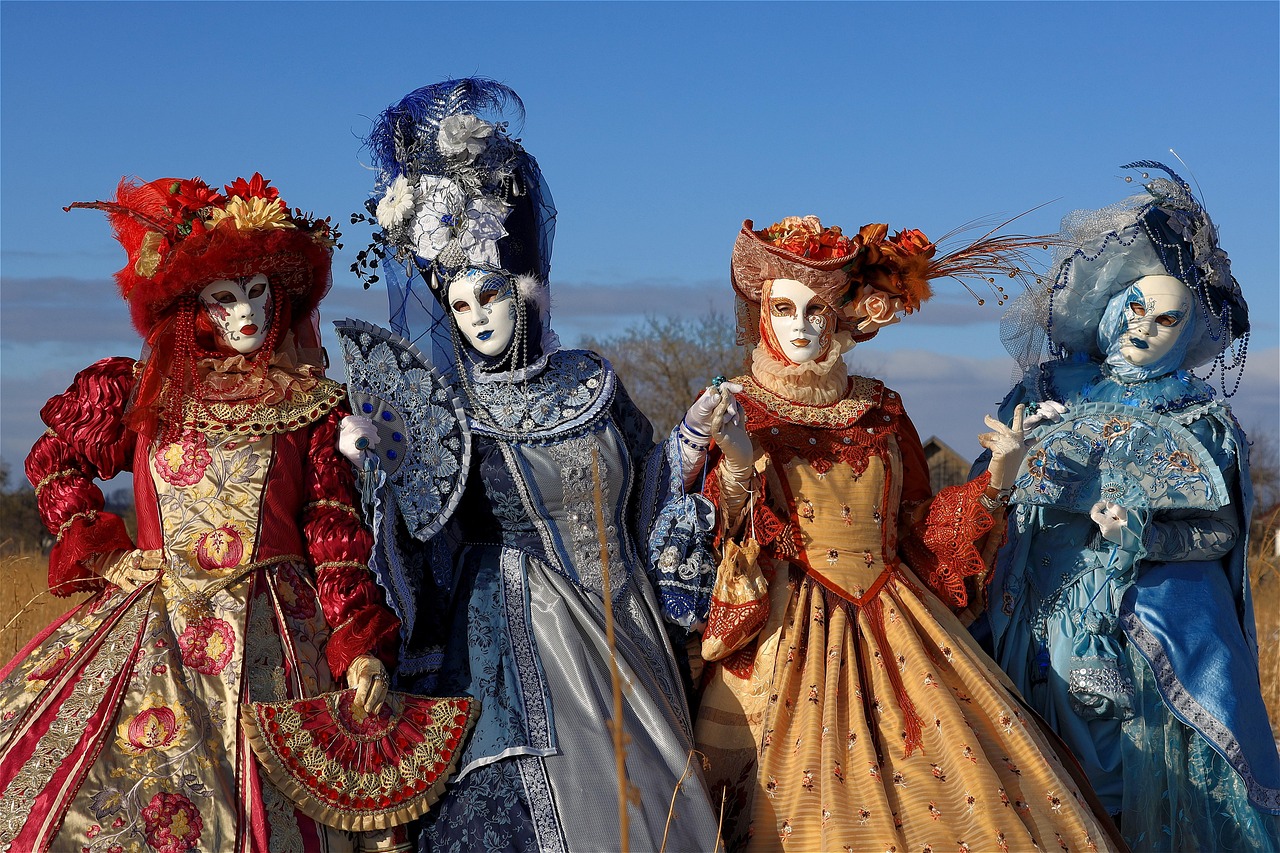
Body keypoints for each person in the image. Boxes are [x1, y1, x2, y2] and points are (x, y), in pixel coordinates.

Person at [338, 78, 721, 852]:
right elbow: (423, 544)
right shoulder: (449, 414)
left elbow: (642, 493)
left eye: (489, 295)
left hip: (631, 626)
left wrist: (691, 437)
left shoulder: (593, 381)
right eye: (460, 306)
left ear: (525, 288)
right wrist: (376, 469)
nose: (476, 318)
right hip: (517, 640)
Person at [0, 173, 400, 852]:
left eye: (256, 294)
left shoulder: (312, 406)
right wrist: (105, 552)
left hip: (279, 645)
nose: (243, 314)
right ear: (194, 308)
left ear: (280, 298)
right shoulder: (146, 394)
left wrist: (359, 645)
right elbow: (52, 458)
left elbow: (333, 534)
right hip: (156, 634)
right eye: (223, 299)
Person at [693, 215, 1119, 852]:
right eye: (785, 308)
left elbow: (919, 528)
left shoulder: (881, 408)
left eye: (818, 309)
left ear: (840, 315)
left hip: (899, 621)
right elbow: (723, 532)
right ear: (762, 312)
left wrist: (996, 480)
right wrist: (731, 458)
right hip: (789, 628)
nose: (802, 326)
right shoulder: (737, 405)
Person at [983, 161, 1279, 850]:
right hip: (1036, 606)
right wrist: (1010, 473)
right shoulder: (1050, 388)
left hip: (1152, 627)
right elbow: (990, 494)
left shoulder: (1199, 418)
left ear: (1191, 329)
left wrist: (1141, 533)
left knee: (1134, 777)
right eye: (1135, 308)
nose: (1144, 328)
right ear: (1112, 304)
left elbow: (1219, 530)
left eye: (1167, 317)